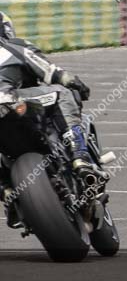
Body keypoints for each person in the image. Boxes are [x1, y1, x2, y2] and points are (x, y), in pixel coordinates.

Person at [0, 12, 100, 183]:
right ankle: (79, 156)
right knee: (62, 92)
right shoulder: (13, 47)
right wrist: (77, 85)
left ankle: (5, 187)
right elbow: (53, 73)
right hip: (9, 101)